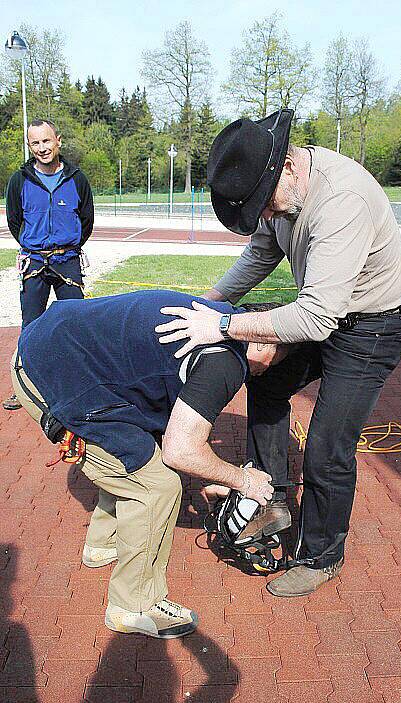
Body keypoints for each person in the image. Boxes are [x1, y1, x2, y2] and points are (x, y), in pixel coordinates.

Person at [154, 108, 401, 598]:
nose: (267, 217)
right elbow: (259, 256)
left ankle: (321, 556)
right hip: (328, 310)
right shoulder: (278, 194)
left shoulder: (343, 202)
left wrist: (225, 325)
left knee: (325, 447)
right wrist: (208, 303)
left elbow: (316, 318)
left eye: (265, 206)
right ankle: (266, 494)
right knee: (268, 383)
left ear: (289, 168)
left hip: (374, 327)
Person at [11, 289, 274, 638]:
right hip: (54, 379)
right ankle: (133, 606)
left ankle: (103, 545)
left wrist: (214, 473)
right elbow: (179, 451)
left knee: (134, 456)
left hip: (45, 351)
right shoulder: (227, 360)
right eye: (279, 358)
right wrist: (242, 480)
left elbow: (179, 427)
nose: (270, 370)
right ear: (267, 342)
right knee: (156, 485)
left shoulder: (213, 316)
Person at [3, 118, 93, 410]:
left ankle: (82, 384)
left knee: (76, 322)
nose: (42, 148)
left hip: (67, 261)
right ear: (30, 146)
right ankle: (26, 384)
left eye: (46, 141)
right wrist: (35, 244)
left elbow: (87, 221)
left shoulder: (77, 178)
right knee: (31, 324)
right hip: (34, 263)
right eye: (35, 143)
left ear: (58, 140)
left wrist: (68, 244)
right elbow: (15, 221)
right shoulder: (20, 180)